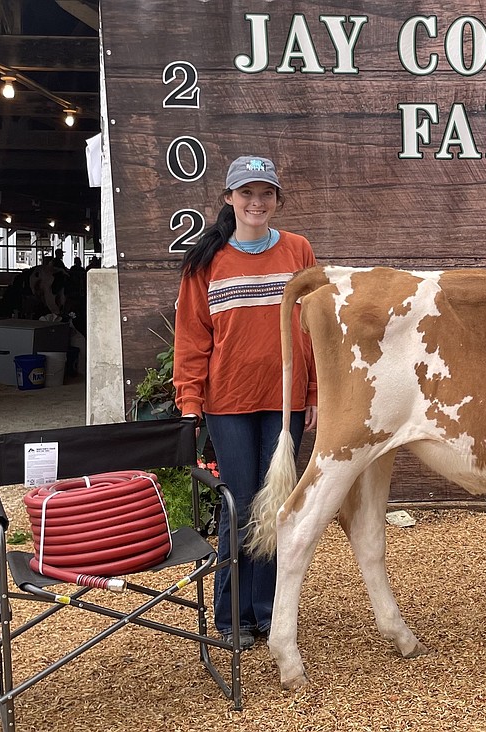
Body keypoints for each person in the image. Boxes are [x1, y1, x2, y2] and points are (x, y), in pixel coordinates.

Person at [173, 154, 319, 650]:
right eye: (247, 193)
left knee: (277, 506)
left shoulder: (298, 251)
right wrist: (189, 401)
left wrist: (317, 390)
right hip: (229, 402)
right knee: (238, 505)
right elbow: (192, 338)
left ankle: (269, 613)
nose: (256, 202)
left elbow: (315, 327)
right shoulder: (205, 262)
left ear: (277, 200)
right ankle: (232, 614)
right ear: (229, 199)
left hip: (285, 401)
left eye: (266, 194)